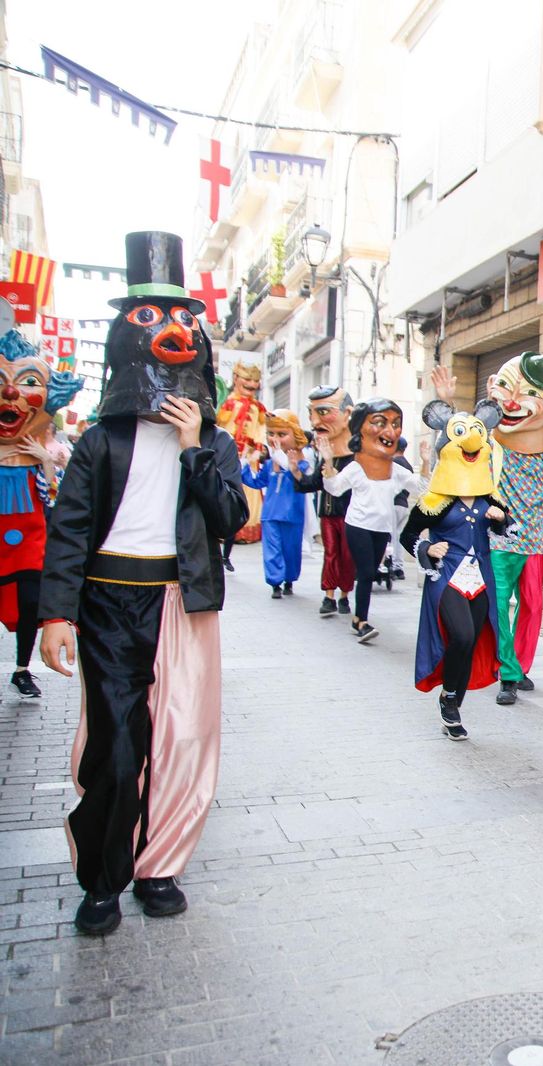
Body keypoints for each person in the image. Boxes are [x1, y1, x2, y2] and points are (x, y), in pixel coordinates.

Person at [38, 231, 248, 934]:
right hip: (109, 603)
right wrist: (55, 615)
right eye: (153, 320)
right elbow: (68, 529)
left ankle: (160, 867)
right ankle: (102, 876)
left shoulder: (215, 442)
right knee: (118, 744)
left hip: (185, 604)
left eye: (185, 320)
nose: (174, 334)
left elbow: (230, 517)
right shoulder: (100, 441)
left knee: (184, 738)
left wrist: (194, 452)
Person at [430, 354, 543, 705]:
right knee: (498, 604)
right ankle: (508, 672)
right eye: (506, 388)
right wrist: (448, 405)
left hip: (541, 537)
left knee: (532, 604)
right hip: (501, 539)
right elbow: (453, 444)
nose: (512, 401)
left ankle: (520, 665)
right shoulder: (489, 450)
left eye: (526, 392)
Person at [400, 400, 508, 740]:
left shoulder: (489, 498)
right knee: (460, 635)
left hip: (480, 580)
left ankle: (453, 703)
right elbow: (408, 535)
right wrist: (427, 548)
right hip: (446, 578)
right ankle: (448, 698)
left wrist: (502, 519)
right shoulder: (435, 500)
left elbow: (508, 526)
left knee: (471, 641)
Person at [0, 329, 83, 700]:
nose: (12, 394)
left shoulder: (36, 454)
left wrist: (47, 459)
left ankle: (21, 670)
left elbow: (51, 494)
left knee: (31, 604)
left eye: (27, 382)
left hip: (30, 543)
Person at [316, 398, 422, 643]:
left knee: (370, 573)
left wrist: (428, 461)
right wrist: (329, 461)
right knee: (364, 572)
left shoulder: (395, 470)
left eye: (396, 424)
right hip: (358, 526)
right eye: (379, 423)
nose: (390, 431)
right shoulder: (355, 468)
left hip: (382, 528)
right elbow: (334, 487)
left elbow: (421, 486)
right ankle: (360, 621)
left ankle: (357, 616)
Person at [295, 386, 356, 617]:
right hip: (328, 514)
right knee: (331, 553)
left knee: (346, 555)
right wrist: (296, 470)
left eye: (322, 412)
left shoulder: (357, 457)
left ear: (347, 414)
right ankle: (329, 595)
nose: (314, 421)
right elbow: (314, 482)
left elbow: (347, 487)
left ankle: (344, 594)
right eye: (311, 413)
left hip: (349, 515)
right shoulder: (324, 454)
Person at [240, 410, 312, 598]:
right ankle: (275, 583)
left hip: (293, 515)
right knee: (272, 550)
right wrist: (246, 464)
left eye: (281, 434)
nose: (275, 439)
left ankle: (289, 579)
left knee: (291, 550)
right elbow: (256, 482)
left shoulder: (301, 462)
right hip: (270, 514)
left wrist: (282, 456)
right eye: (271, 434)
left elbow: (299, 475)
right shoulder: (271, 462)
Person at [214, 360, 268, 566]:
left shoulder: (258, 408)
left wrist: (256, 449)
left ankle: (242, 530)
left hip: (248, 457)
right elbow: (222, 426)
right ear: (236, 379)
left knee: (247, 493)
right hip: (228, 456)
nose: (251, 384)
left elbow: (259, 431)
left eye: (255, 380)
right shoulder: (228, 403)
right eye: (247, 379)